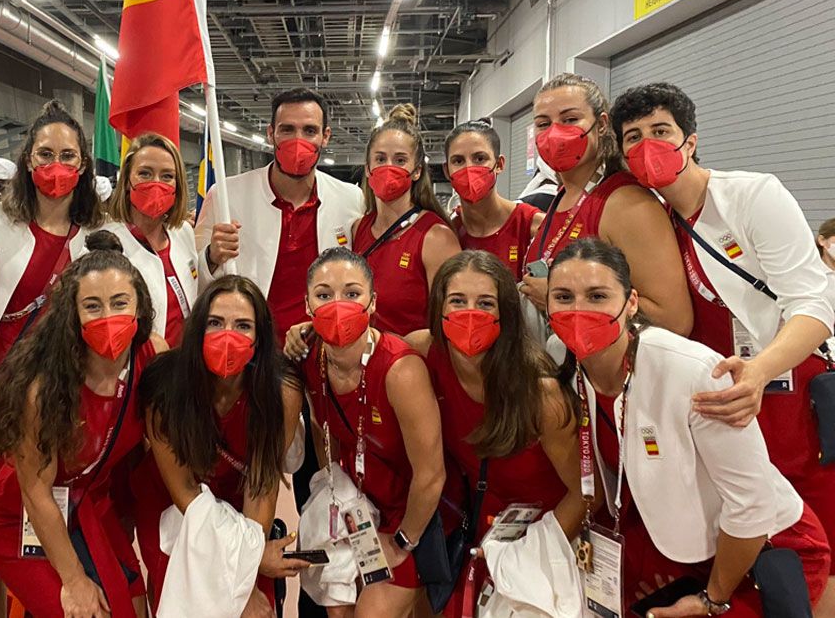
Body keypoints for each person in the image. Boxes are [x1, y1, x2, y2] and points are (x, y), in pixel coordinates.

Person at [610, 82, 835, 598]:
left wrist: (759, 370)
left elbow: (814, 304)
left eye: (661, 131)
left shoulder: (751, 195)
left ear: (690, 140)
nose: (647, 145)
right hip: (715, 400)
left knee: (810, 553)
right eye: (634, 137)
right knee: (743, 540)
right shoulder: (649, 220)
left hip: (785, 392)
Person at [547, 238, 830, 616]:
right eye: (563, 297)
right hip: (684, 548)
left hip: (763, 551)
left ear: (631, 303)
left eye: (597, 296)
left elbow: (753, 506)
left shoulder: (691, 371)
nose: (579, 311)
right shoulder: (566, 365)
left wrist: (711, 599)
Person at [0, 230, 168, 618]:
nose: (108, 317)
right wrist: (74, 579)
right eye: (92, 306)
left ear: (140, 308)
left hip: (87, 505)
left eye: (119, 303)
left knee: (131, 603)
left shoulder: (153, 356)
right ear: (73, 315)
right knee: (81, 610)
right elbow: (35, 492)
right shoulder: (43, 389)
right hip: (17, 513)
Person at [402, 250, 583, 608]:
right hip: (477, 531)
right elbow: (370, 351)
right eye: (457, 301)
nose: (470, 314)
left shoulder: (542, 394)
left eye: (485, 303)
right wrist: (308, 333)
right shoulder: (421, 352)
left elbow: (585, 493)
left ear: (506, 314)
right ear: (439, 307)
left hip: (547, 536)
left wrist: (530, 556)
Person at [131, 275, 308, 614]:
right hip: (173, 502)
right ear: (197, 329)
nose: (228, 335)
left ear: (259, 339)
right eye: (215, 323)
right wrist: (240, 581)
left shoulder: (282, 391)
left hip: (241, 504)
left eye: (243, 325)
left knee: (261, 607)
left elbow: (261, 484)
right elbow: (187, 496)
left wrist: (248, 573)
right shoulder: (165, 387)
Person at [297, 247, 445, 616]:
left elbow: (431, 476)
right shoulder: (309, 360)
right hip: (358, 509)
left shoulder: (400, 371)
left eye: (352, 293)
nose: (337, 305)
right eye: (324, 295)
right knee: (336, 607)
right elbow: (320, 428)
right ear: (307, 305)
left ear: (373, 302)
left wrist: (402, 541)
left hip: (409, 515)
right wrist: (337, 493)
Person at [518, 73, 692, 337]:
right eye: (544, 124)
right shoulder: (563, 196)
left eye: (570, 120)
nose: (554, 133)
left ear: (600, 124)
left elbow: (674, 320)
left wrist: (562, 299)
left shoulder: (625, 202)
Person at [195, 87, 363, 345]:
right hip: (252, 349)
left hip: (322, 347)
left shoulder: (351, 199)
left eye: (309, 131)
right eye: (287, 130)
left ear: (325, 136)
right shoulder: (225, 196)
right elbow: (193, 280)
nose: (298, 141)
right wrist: (211, 257)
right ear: (271, 133)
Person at [0, 100, 105, 384]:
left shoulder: (99, 233)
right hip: (0, 369)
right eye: (45, 154)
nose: (56, 165)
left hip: (65, 374)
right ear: (29, 161)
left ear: (82, 165)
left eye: (68, 156)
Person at [347, 104, 459, 336]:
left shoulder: (436, 237)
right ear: (368, 168)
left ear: (417, 171)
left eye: (400, 160)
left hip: (412, 365)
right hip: (363, 364)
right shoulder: (359, 228)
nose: (389, 167)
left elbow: (450, 323)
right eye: (380, 159)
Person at [104, 133, 201, 347]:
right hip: (136, 368)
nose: (156, 183)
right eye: (145, 173)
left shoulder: (183, 232)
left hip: (183, 366)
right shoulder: (106, 243)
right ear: (128, 181)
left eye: (167, 176)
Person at [444, 121, 545, 282]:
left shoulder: (534, 227)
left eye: (479, 158)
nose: (469, 168)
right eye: (458, 161)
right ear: (446, 171)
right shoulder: (446, 233)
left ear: (499, 164)